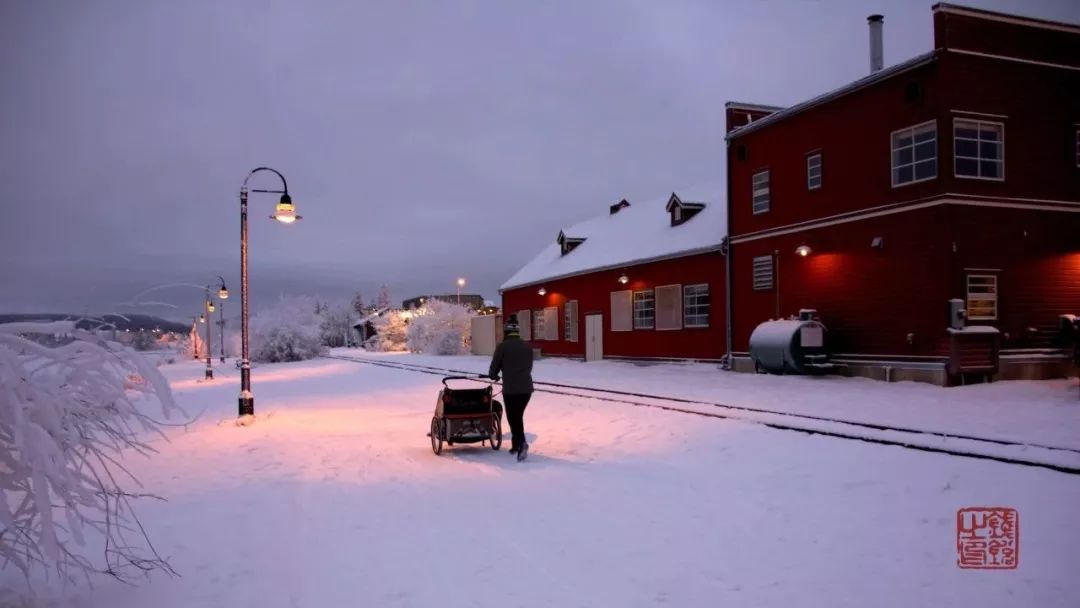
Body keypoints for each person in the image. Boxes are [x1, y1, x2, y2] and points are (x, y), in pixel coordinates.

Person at [488, 314, 534, 461]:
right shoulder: (527, 347)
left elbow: (493, 369)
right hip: (526, 389)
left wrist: (494, 375)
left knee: (513, 418)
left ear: (506, 331)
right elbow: (528, 367)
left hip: (511, 390)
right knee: (517, 416)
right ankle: (516, 445)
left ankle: (522, 444)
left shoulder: (502, 347)